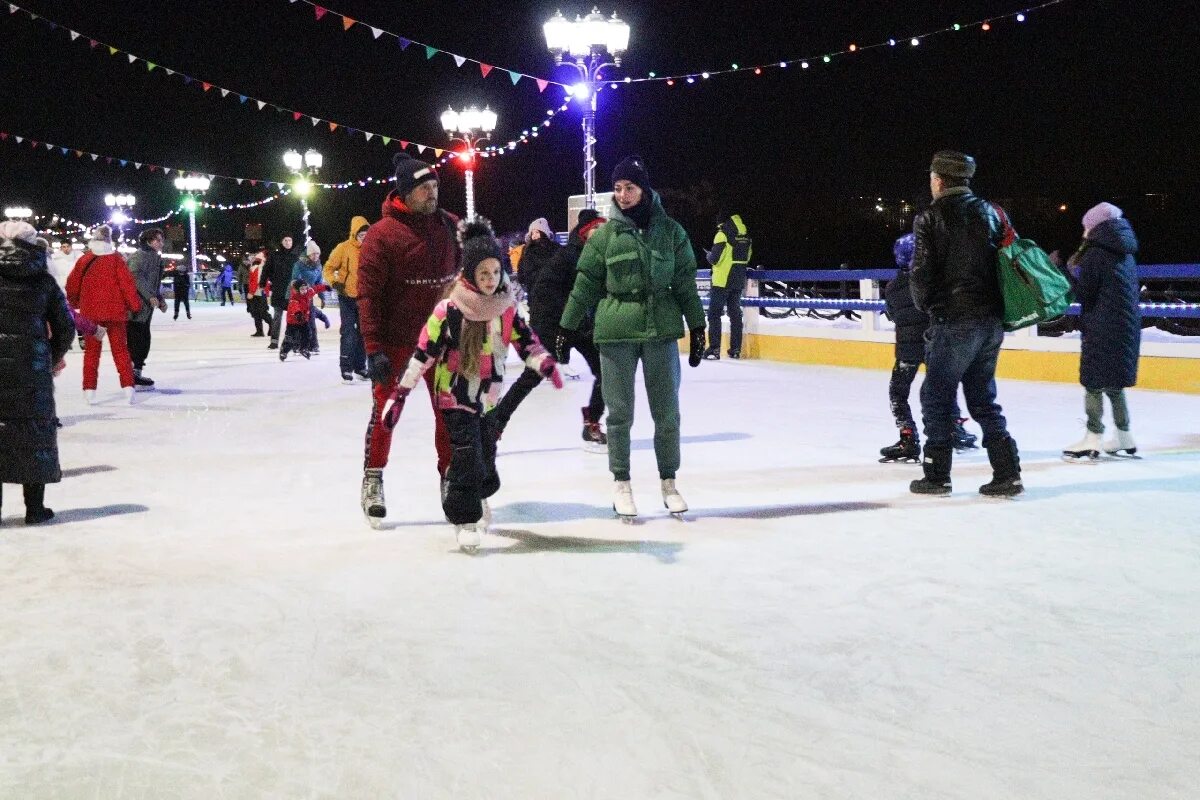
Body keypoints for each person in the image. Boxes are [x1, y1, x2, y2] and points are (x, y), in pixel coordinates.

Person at [383, 223, 562, 550]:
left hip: (487, 396)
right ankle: (463, 517)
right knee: (467, 456)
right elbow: (423, 353)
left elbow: (527, 343)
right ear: (470, 274)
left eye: (496, 271)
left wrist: (543, 362)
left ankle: (477, 493)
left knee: (486, 457)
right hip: (454, 394)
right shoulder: (450, 309)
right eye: (483, 273)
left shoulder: (506, 308)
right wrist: (400, 394)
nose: (491, 279)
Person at [559, 156, 707, 519]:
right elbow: (585, 285)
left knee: (667, 413)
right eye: (619, 188)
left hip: (661, 330)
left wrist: (699, 326)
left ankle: (669, 482)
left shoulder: (671, 232)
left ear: (644, 189)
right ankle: (621, 482)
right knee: (620, 413)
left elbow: (686, 281)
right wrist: (565, 326)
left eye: (630, 187)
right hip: (616, 333)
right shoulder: (605, 236)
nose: (623, 195)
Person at [908, 150, 1022, 497]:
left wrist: (927, 305)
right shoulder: (992, 212)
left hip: (955, 320)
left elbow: (921, 272)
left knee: (936, 396)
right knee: (983, 398)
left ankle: (937, 474)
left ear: (939, 180)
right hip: (991, 321)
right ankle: (1007, 472)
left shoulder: (931, 216)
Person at [357, 153, 459, 523]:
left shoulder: (449, 225)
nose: (433, 193)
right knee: (387, 414)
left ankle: (450, 479)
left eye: (435, 186)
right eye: (424, 188)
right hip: (397, 342)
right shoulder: (382, 235)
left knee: (449, 413)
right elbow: (366, 295)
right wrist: (374, 349)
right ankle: (373, 477)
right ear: (406, 192)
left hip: (442, 341)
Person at [487, 210, 609, 451]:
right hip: (552, 324)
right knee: (532, 377)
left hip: (575, 324)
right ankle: (494, 425)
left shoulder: (587, 253)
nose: (601, 235)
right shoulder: (570, 255)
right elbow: (544, 290)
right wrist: (558, 325)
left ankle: (592, 421)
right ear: (585, 232)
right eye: (596, 229)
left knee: (604, 371)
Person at [0, 222, 75, 525]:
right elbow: (65, 327)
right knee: (33, 430)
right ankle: (35, 508)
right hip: (32, 367)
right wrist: (50, 356)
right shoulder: (43, 281)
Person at [879, 233, 974, 462]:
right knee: (942, 389)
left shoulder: (892, 288)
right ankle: (954, 429)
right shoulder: (936, 282)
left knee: (898, 394)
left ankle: (907, 437)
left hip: (906, 352)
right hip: (936, 346)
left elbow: (893, 314)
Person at [1062, 202, 1141, 459]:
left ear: (1094, 228)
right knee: (1115, 384)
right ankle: (1123, 434)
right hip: (1126, 327)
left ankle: (1093, 436)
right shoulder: (1126, 252)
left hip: (1102, 325)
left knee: (1093, 383)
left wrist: (1068, 273)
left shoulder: (1097, 253)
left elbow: (1085, 293)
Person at [65, 225, 142, 405]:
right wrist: (134, 305)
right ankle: (128, 387)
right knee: (121, 351)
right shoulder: (117, 260)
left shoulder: (84, 260)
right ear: (109, 240)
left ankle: (89, 390)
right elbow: (127, 285)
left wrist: (75, 302)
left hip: (91, 312)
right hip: (115, 312)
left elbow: (72, 284)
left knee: (91, 353)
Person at [323, 215, 370, 383]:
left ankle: (360, 367)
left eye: (366, 234)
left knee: (364, 333)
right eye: (361, 234)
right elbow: (328, 268)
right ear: (354, 233)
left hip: (365, 297)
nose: (364, 237)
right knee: (349, 332)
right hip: (347, 297)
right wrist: (335, 282)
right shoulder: (343, 248)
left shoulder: (372, 248)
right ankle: (346, 368)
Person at [703, 213, 752, 360]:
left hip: (722, 281)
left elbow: (715, 259)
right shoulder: (746, 237)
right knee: (735, 315)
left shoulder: (722, 235)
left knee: (714, 314)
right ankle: (735, 349)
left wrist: (708, 256)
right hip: (738, 280)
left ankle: (714, 348)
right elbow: (747, 258)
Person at [125, 227, 167, 389]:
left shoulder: (155, 258)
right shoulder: (139, 256)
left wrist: (160, 298)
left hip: (146, 306)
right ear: (149, 241)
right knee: (137, 339)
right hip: (135, 305)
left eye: (162, 240)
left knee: (143, 339)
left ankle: (136, 372)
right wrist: (150, 296)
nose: (161, 243)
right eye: (158, 240)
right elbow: (134, 277)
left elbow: (154, 283)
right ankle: (133, 374)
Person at [279, 279, 329, 361]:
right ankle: (284, 351)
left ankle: (304, 348)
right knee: (291, 337)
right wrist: (298, 314)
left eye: (305, 288)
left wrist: (325, 287)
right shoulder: (294, 298)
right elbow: (295, 307)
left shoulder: (309, 292)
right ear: (297, 290)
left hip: (303, 320)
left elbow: (316, 289)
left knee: (307, 334)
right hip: (293, 321)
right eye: (302, 289)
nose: (304, 291)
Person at [292, 240, 324, 355]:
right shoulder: (299, 264)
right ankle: (296, 345)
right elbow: (295, 279)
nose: (316, 256)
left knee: (311, 322)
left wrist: (322, 296)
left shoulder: (319, 265)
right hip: (297, 297)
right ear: (308, 254)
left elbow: (319, 282)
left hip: (309, 298)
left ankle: (314, 345)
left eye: (317, 254)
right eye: (313, 254)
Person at [516, 217, 559, 305]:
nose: (534, 235)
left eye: (537, 232)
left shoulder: (555, 248)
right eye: (532, 233)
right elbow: (521, 271)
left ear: (544, 232)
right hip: (534, 295)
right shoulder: (527, 250)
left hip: (553, 295)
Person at [265, 234, 297, 349]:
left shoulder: (295, 257)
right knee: (277, 316)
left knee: (292, 318)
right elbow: (266, 270)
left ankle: (291, 341)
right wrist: (263, 283)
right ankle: (274, 341)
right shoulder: (274, 256)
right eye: (286, 240)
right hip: (278, 291)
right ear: (281, 242)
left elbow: (299, 274)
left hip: (292, 292)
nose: (288, 242)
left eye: (290, 240)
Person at [244, 249, 273, 337]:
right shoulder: (261, 268)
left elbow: (256, 281)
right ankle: (260, 330)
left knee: (260, 312)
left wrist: (251, 292)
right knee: (257, 312)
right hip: (261, 293)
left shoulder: (257, 268)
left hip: (258, 293)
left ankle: (269, 327)